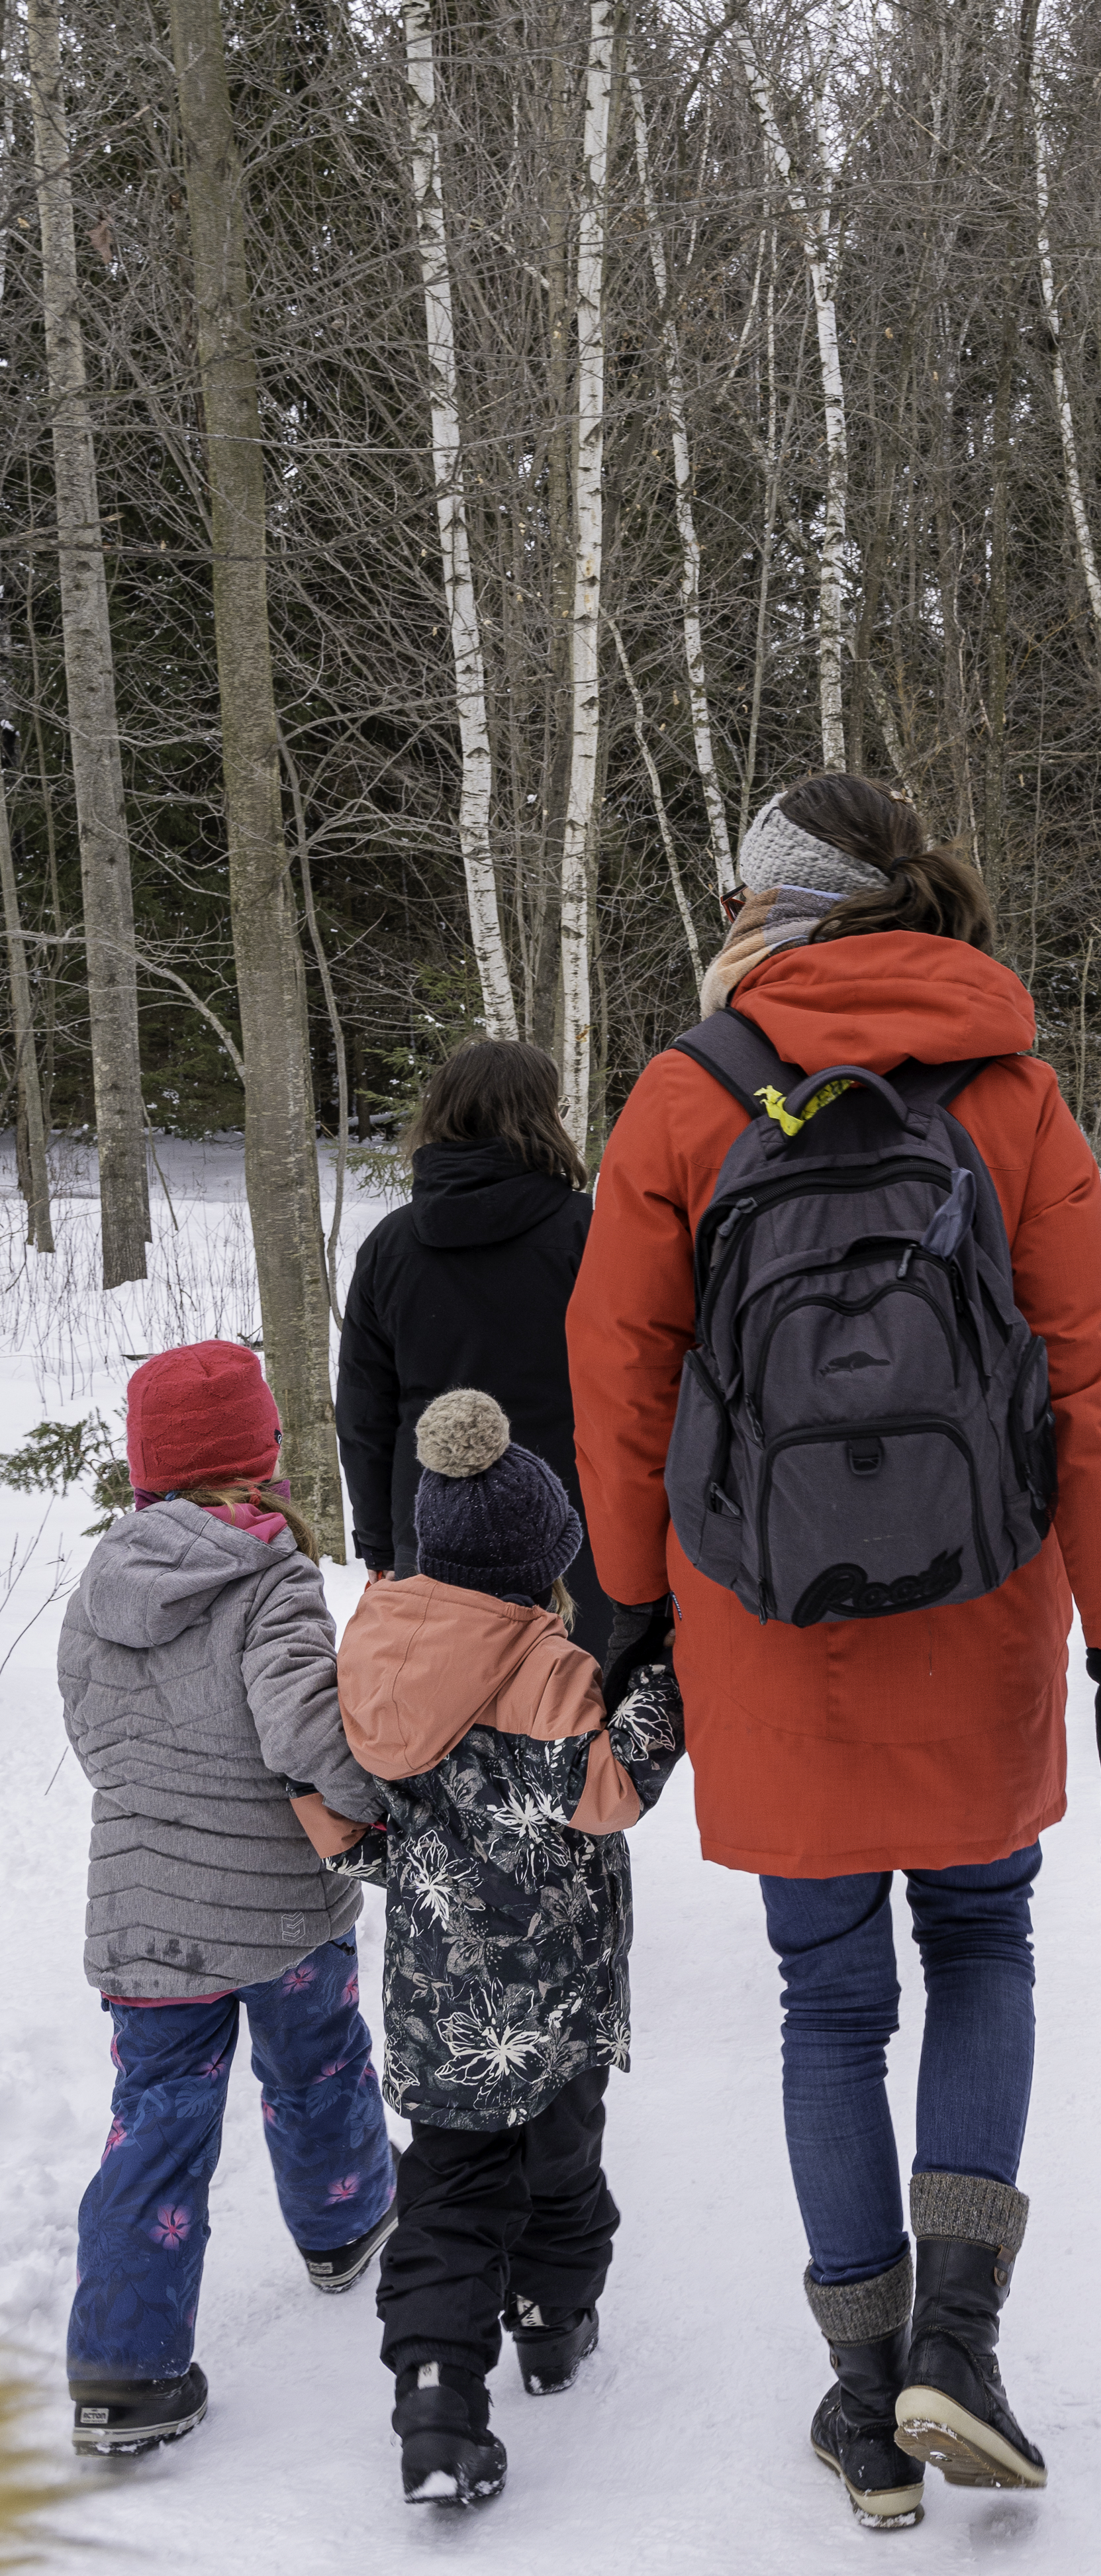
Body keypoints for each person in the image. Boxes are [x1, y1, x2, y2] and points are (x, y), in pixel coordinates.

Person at [569, 772, 1101, 2528]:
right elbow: (1093, 1390)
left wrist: (629, 1615)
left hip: (764, 1623)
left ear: (773, 909)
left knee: (825, 1997)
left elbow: (612, 1381)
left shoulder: (686, 1099)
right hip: (980, 1603)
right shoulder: (1007, 1091)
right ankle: (959, 2353)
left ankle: (860, 2400)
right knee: (980, 1944)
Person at [323, 1388, 683, 2508]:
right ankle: (552, 2317)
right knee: (564, 2166)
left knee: (446, 2191)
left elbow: (357, 1826)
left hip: (440, 2011)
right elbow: (610, 1789)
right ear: (542, 1565)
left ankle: (435, 2399)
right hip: (557, 2004)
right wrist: (665, 1684)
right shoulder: (548, 1673)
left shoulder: (380, 1655)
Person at [58, 1338, 396, 2457]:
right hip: (276, 1907)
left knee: (155, 2118)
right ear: (259, 1458)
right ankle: (344, 2220)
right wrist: (372, 1802)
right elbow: (304, 1731)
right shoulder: (269, 1577)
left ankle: (125, 2370)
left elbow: (93, 1731)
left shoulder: (103, 1584)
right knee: (318, 2063)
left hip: (142, 1912)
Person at [335, 1037, 612, 1657]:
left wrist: (381, 1544)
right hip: (574, 1534)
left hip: (432, 1533)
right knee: (582, 1727)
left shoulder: (390, 1245)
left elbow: (364, 1414)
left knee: (454, 1728)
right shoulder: (590, 1233)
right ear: (543, 1116)